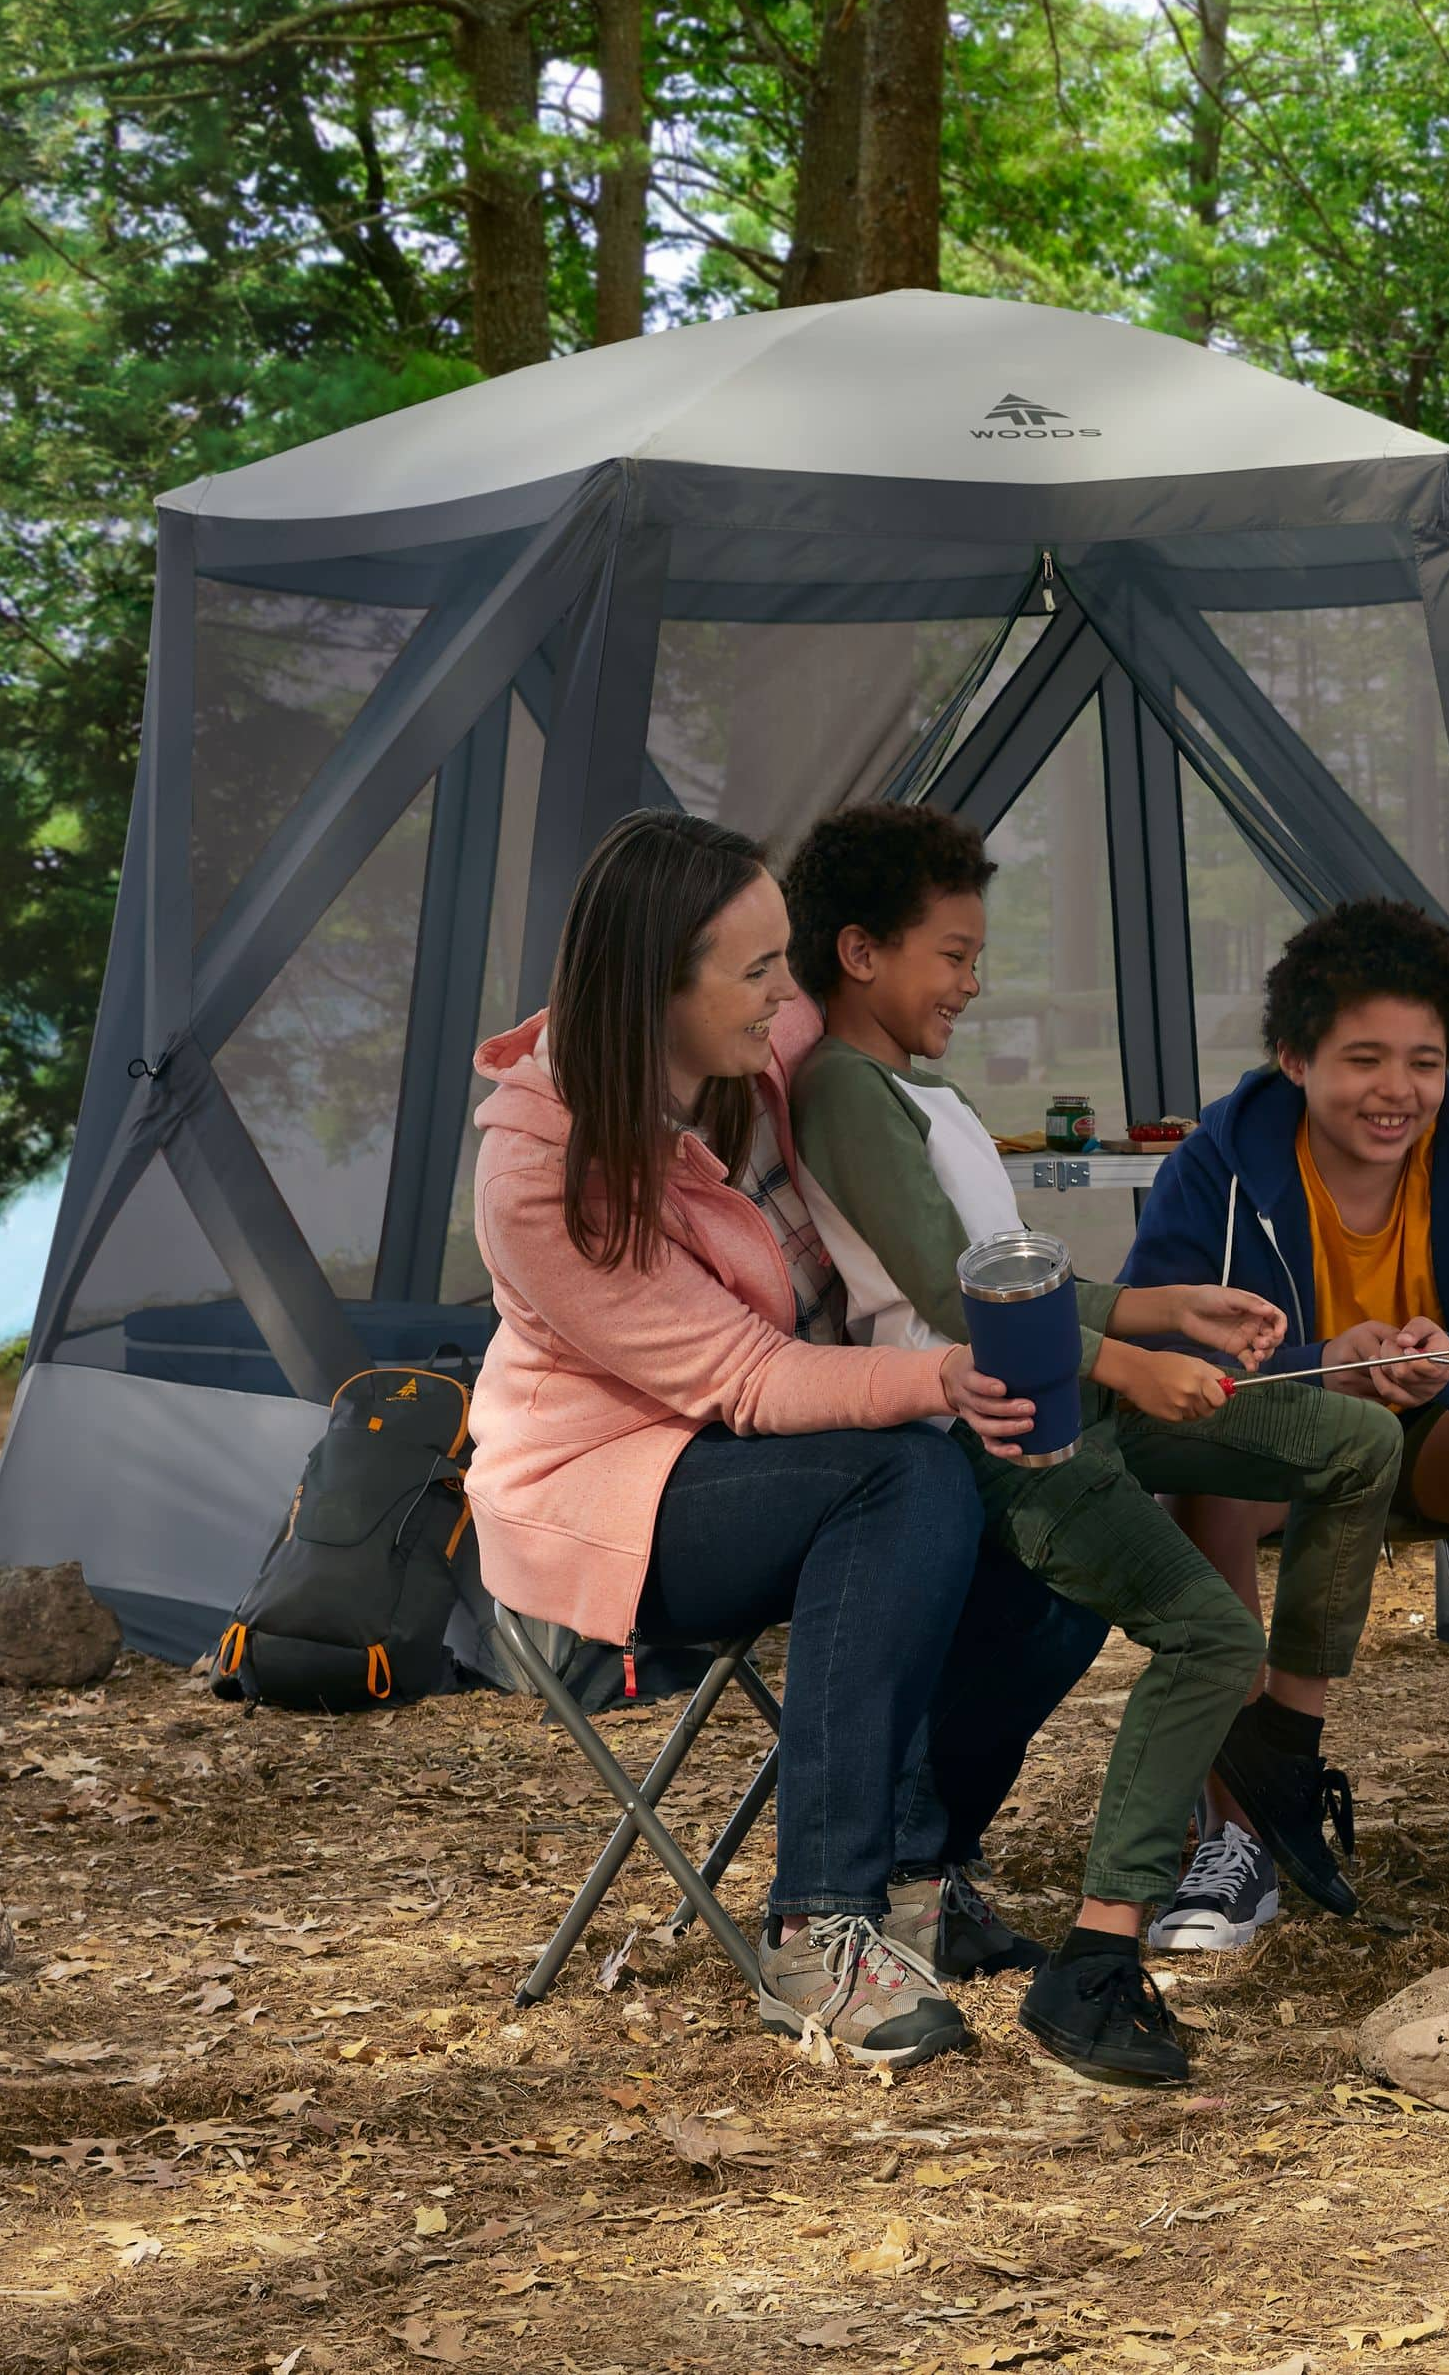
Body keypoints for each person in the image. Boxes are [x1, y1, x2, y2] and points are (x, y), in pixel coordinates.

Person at [465, 808, 1106, 2073]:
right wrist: (940, 1373)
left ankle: (923, 1873)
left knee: (1073, 1543)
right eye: (758, 970)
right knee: (906, 1470)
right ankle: (822, 1926)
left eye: (789, 960)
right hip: (618, 1494)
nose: (788, 994)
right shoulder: (541, 1179)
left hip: (790, 1449)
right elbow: (746, 1378)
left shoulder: (758, 1048)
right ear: (657, 983)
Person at [782, 803, 1401, 2088]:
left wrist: (1161, 1306)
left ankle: (1280, 1752)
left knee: (1351, 1441)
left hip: (1071, 1390)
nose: (972, 978)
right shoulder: (841, 1089)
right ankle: (1095, 1964)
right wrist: (1125, 1359)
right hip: (1000, 1432)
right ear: (859, 952)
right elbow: (958, 1308)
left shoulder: (918, 1082)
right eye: (950, 954)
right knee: (1210, 1631)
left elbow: (1010, 1274)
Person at [1123, 899, 1449, 1945]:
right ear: (1294, 1058)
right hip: (1288, 1445)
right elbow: (1156, 1360)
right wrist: (1329, 1368)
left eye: (1425, 1060)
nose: (1397, 1091)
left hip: (1442, 1440)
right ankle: (1239, 1834)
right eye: (1363, 1058)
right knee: (1210, 1475)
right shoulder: (1218, 1166)